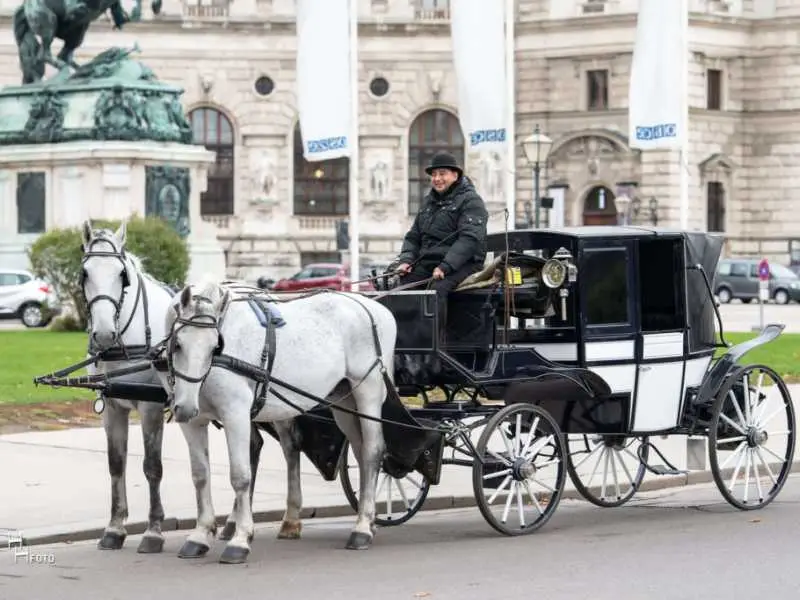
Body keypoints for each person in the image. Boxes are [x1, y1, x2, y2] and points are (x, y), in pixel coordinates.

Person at [393, 150, 489, 323]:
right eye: (434, 174)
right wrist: (406, 260)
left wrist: (445, 267)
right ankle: (406, 341)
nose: (437, 179)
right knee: (401, 286)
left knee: (436, 290)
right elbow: (413, 236)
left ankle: (436, 343)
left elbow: (469, 239)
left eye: (442, 174)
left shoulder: (472, 201)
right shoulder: (428, 202)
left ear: (455, 175)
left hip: (463, 263)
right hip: (429, 262)